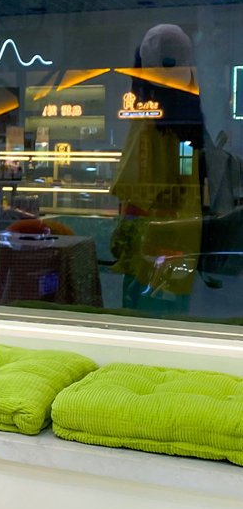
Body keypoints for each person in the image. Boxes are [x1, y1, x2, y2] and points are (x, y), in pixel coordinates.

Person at [110, 23, 207, 315]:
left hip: (148, 234)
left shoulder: (148, 120)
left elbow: (132, 188)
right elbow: (187, 169)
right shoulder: (189, 121)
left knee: (141, 313)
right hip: (184, 230)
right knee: (173, 311)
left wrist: (123, 230)